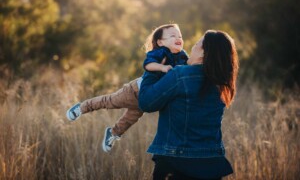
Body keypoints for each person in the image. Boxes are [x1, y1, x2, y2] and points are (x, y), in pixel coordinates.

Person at [66, 24, 188, 152]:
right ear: (160, 42)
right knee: (109, 101)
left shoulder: (182, 56)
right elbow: (148, 65)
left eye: (180, 36)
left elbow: (189, 67)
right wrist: (162, 67)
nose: (178, 38)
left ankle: (112, 133)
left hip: (147, 100)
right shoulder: (160, 52)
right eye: (173, 36)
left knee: (130, 119)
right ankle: (81, 107)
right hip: (135, 91)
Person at [138, 30, 239, 179]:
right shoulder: (221, 84)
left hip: (176, 163)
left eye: (197, 45)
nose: (191, 48)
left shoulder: (180, 75)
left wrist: (153, 69)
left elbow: (146, 102)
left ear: (203, 54)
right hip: (211, 164)